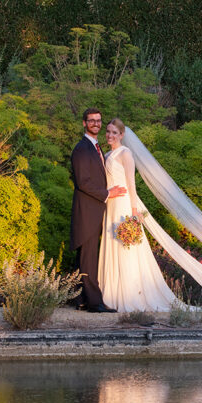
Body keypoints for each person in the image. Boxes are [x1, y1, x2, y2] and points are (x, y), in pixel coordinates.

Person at [98, 118, 181, 312]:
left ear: (122, 135)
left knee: (124, 246)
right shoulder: (108, 153)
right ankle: (110, 295)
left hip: (123, 204)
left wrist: (134, 212)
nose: (110, 135)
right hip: (110, 204)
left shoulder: (125, 154)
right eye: (108, 132)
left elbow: (131, 183)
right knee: (111, 243)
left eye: (114, 133)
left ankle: (128, 295)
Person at [69, 108, 126, 313]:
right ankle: (94, 303)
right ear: (84, 123)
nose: (96, 123)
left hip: (95, 210)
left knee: (85, 258)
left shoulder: (95, 147)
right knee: (88, 258)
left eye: (98, 120)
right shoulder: (82, 149)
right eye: (91, 120)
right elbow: (82, 182)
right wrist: (107, 193)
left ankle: (81, 299)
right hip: (87, 211)